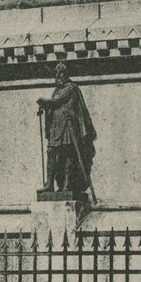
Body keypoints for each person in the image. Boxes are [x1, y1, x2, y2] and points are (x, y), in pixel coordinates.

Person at [37, 62, 97, 202]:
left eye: (61, 74)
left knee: (69, 153)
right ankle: (49, 184)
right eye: (57, 74)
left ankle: (67, 184)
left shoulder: (70, 88)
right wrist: (45, 108)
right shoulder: (57, 89)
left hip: (67, 127)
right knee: (51, 152)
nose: (58, 77)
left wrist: (45, 102)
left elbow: (58, 101)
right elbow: (54, 104)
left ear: (66, 75)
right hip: (56, 127)